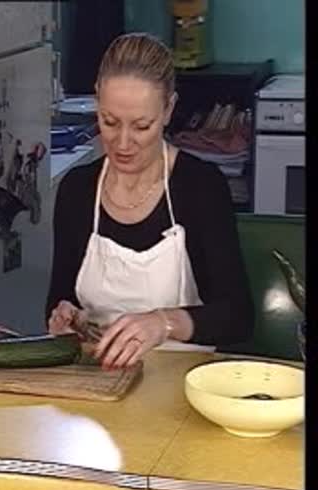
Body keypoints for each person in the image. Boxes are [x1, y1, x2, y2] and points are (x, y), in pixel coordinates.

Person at [46, 33, 254, 369]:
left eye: (141, 126)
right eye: (109, 122)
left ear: (168, 109)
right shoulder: (77, 190)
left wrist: (164, 323)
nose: (122, 143)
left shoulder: (200, 187)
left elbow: (238, 317)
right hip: (96, 376)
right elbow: (59, 298)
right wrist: (65, 317)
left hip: (180, 379)